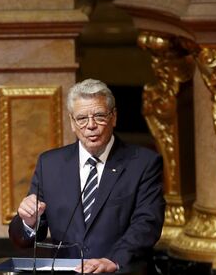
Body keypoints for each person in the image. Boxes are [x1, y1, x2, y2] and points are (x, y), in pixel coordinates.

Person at [9, 79, 165, 273]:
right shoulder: (50, 164)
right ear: (72, 123)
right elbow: (24, 238)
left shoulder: (143, 163)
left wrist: (113, 260)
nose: (91, 125)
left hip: (120, 271)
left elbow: (147, 223)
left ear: (114, 117)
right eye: (82, 118)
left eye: (99, 116)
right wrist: (28, 221)